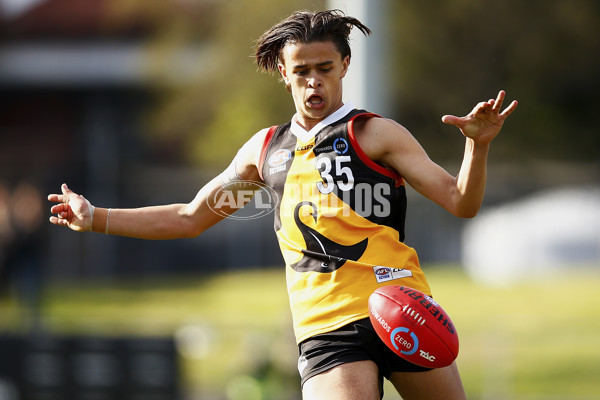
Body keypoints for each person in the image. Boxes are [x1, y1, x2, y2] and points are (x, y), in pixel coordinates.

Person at [49, 9, 517, 400]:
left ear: (345, 65)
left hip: (401, 309)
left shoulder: (376, 134)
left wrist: (478, 148)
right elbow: (191, 218)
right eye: (302, 71)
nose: (313, 83)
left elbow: (460, 202)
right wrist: (97, 218)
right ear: (283, 72)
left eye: (325, 69)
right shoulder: (264, 151)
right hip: (326, 327)